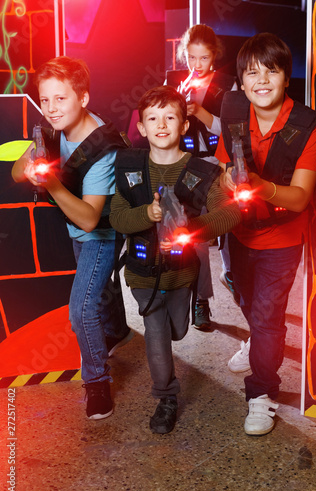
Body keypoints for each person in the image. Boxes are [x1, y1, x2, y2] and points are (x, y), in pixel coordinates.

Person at [110, 86, 241, 434]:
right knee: (155, 331)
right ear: (141, 127)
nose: (161, 124)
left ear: (184, 125)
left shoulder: (201, 170)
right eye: (152, 118)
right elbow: (117, 218)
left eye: (170, 116)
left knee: (177, 330)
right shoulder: (128, 168)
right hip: (143, 274)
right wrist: (149, 213)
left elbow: (230, 214)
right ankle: (166, 397)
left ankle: (178, 329)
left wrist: (190, 227)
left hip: (183, 274)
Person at [11, 56, 133, 420]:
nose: (51, 109)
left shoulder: (102, 149)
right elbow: (19, 171)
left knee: (81, 310)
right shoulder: (52, 129)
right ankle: (118, 331)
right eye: (44, 100)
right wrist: (31, 165)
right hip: (74, 230)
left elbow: (90, 218)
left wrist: (49, 184)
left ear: (83, 98)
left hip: (101, 234)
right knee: (97, 289)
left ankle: (97, 383)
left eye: (60, 99)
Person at [215, 33, 316, 435]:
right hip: (238, 230)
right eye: (251, 72)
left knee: (268, 316)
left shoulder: (306, 124)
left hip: (282, 236)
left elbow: (299, 198)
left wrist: (260, 187)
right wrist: (228, 181)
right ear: (241, 82)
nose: (261, 80)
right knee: (241, 293)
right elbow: (225, 166)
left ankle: (262, 394)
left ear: (285, 77)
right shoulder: (233, 111)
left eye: (271, 70)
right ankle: (257, 342)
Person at [166, 24, 239, 330]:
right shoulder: (173, 81)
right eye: (192, 57)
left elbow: (233, 131)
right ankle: (201, 301)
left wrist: (201, 113)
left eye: (203, 57)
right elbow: (161, 124)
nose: (197, 64)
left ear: (214, 56)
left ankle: (232, 275)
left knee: (230, 225)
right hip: (185, 164)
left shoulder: (228, 84)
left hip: (218, 163)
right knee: (193, 234)